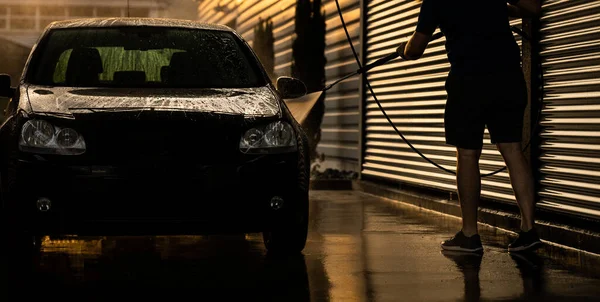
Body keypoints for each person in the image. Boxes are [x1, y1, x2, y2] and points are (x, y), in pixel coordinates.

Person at [397, 0, 542, 253]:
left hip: (468, 82)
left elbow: (416, 47)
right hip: (508, 77)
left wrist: (404, 50)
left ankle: (469, 235)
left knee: (467, 154)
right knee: (512, 150)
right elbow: (532, 8)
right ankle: (529, 231)